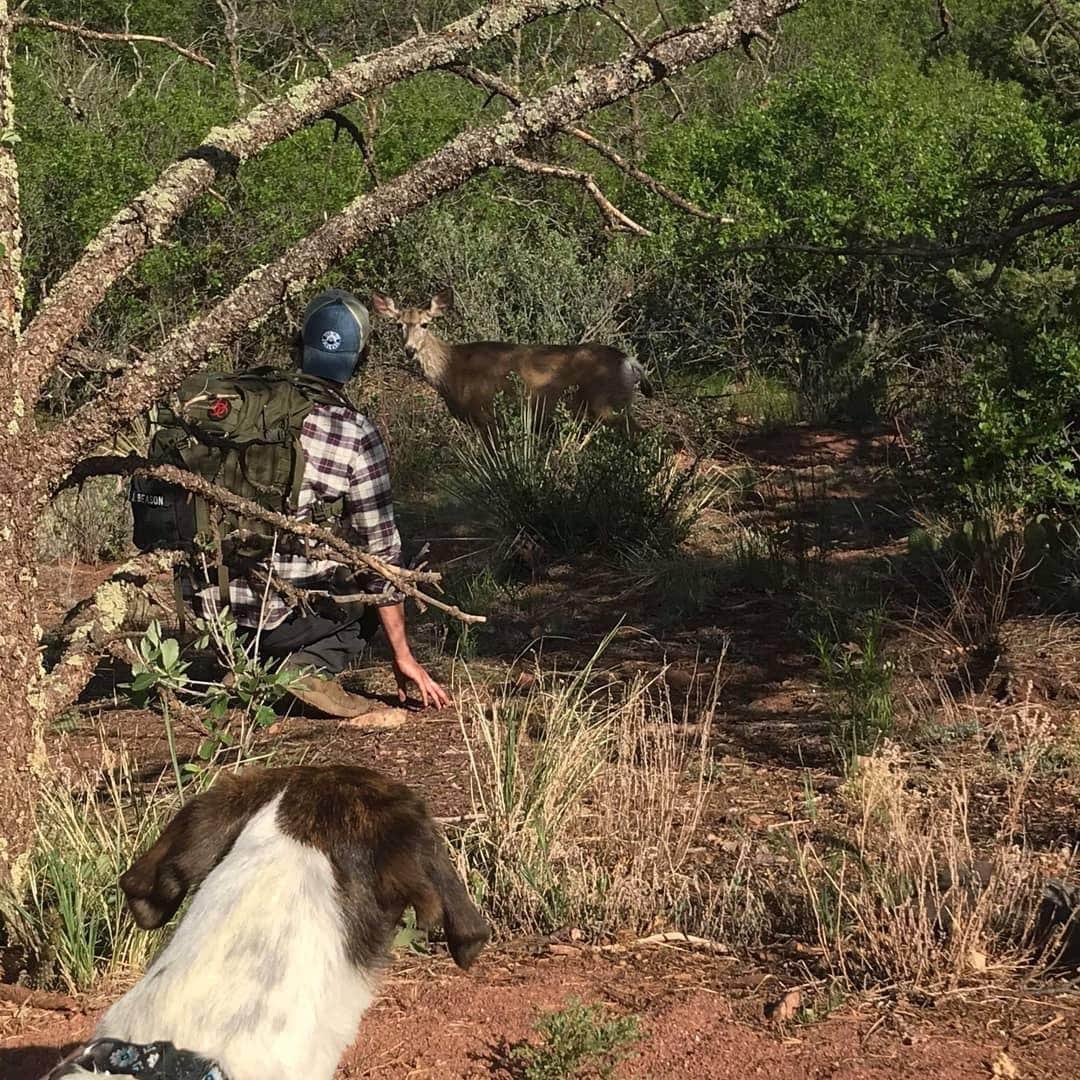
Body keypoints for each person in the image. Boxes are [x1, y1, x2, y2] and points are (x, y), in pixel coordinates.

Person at [192, 288, 450, 717]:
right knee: (370, 594)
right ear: (360, 359)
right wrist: (401, 653)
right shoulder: (354, 432)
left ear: (299, 346)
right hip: (281, 615)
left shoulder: (240, 408)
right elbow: (379, 551)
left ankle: (247, 666)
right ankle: (308, 669)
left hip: (209, 611)